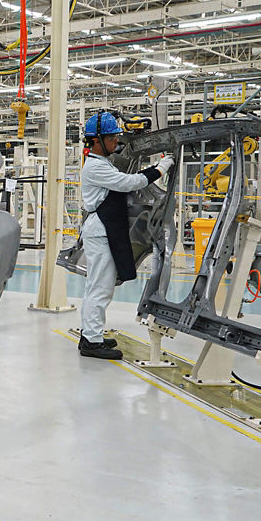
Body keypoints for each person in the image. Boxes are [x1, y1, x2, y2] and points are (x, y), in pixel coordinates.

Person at [78, 111, 173, 360]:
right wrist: (160, 168)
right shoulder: (96, 167)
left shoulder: (102, 163)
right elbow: (129, 183)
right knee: (100, 289)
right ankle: (91, 342)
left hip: (103, 231)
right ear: (97, 140)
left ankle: (91, 334)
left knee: (97, 288)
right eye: (111, 138)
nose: (115, 143)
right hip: (101, 232)